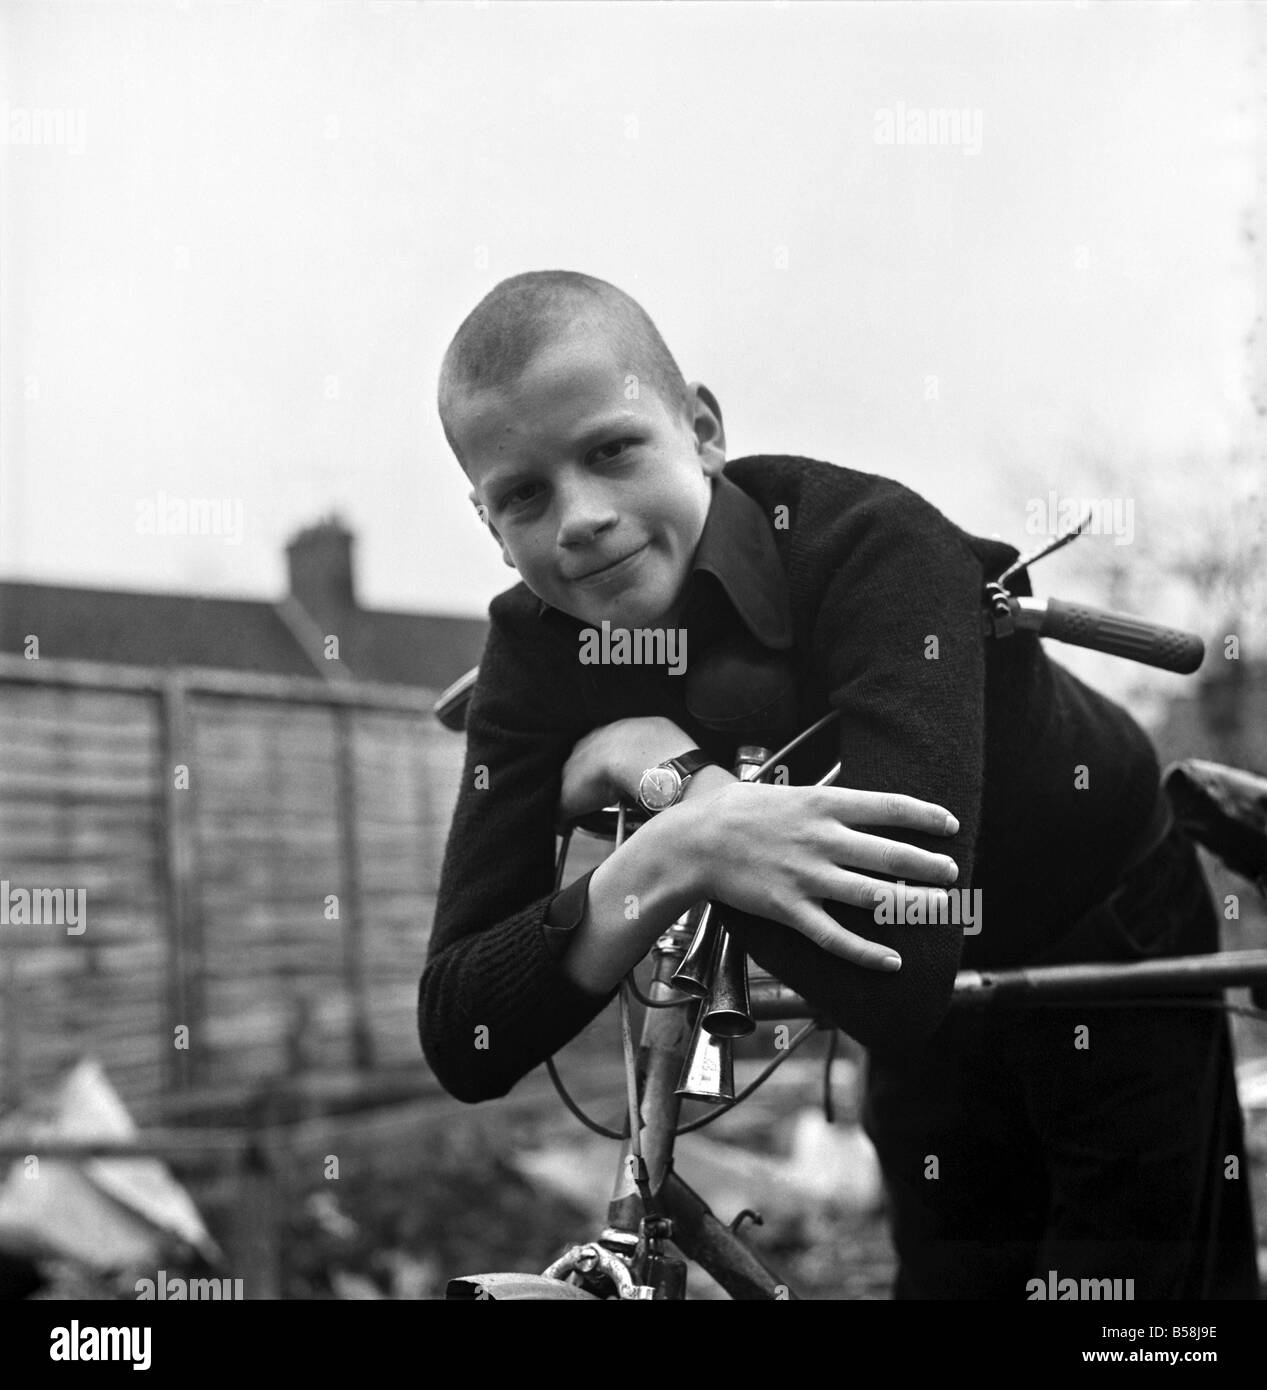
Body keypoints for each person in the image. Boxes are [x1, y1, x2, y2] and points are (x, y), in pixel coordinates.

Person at [418, 269, 1258, 1300]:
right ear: (486, 521)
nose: (580, 518)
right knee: (951, 1273)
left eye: (610, 450)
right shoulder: (532, 649)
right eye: (524, 496)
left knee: (1128, 1296)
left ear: (702, 430)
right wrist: (681, 830)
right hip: (923, 998)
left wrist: (670, 795)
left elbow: (895, 953)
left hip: (1099, 903)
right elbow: (465, 1026)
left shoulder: (875, 544)